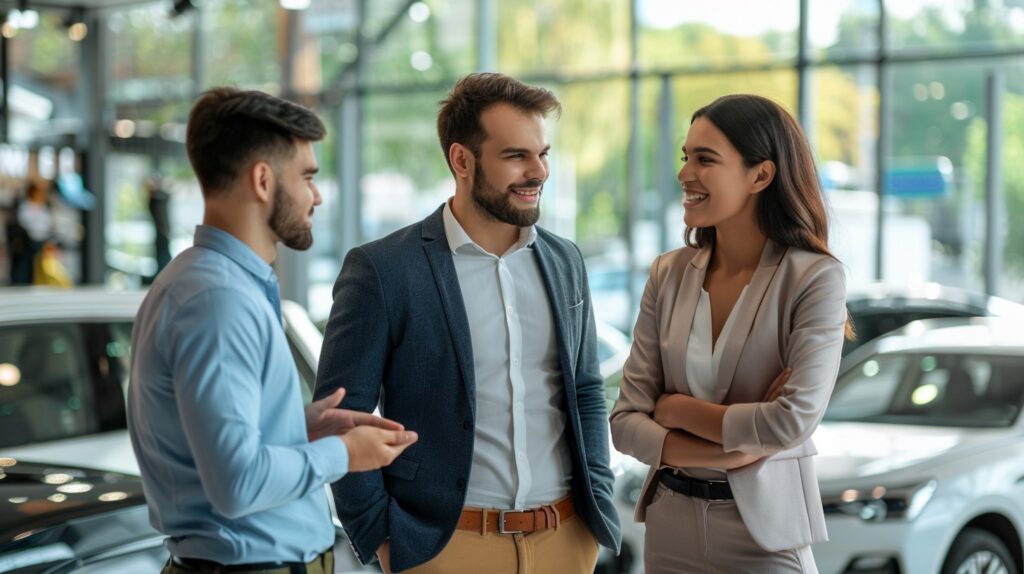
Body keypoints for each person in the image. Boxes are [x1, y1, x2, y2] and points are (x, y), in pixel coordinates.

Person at [315, 72, 621, 574]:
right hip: (445, 548)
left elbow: (585, 389)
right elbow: (339, 416)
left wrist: (596, 501)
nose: (539, 171)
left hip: (565, 540)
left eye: (543, 154)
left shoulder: (565, 261)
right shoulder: (385, 270)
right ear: (462, 160)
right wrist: (383, 538)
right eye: (516, 155)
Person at [127, 87, 418, 574]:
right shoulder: (218, 299)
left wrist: (296, 430)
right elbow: (237, 483)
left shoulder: (205, 281)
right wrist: (342, 453)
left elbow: (216, 451)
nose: (317, 195)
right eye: (307, 176)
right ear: (262, 180)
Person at [609, 94, 851, 573]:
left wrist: (677, 409)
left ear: (760, 175)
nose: (684, 173)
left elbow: (790, 421)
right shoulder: (667, 274)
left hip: (765, 538)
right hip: (669, 530)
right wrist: (731, 450)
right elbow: (625, 421)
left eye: (705, 159)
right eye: (685, 157)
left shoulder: (813, 277)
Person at [10, 182, 52, 285]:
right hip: (27, 240)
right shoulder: (25, 207)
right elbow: (24, 222)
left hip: (41, 239)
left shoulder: (43, 207)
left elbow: (47, 223)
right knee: (25, 264)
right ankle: (22, 283)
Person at [145, 172, 173, 277]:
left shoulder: (161, 199)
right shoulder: (154, 201)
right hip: (161, 234)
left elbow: (166, 193)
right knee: (163, 257)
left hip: (163, 234)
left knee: (164, 257)